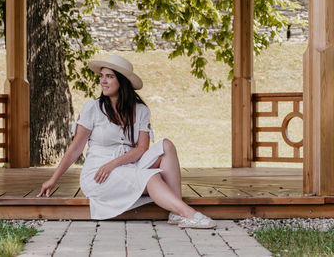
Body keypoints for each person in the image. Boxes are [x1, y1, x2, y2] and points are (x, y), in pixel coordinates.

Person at [38, 55, 216, 229]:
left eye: (109, 76)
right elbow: (75, 148)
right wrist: (53, 179)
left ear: (122, 81)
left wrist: (114, 163)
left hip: (128, 165)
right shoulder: (92, 108)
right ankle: (190, 214)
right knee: (151, 176)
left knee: (166, 145)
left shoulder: (140, 110)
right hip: (99, 173)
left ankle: (177, 212)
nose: (103, 81)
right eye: (102, 76)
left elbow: (141, 149)